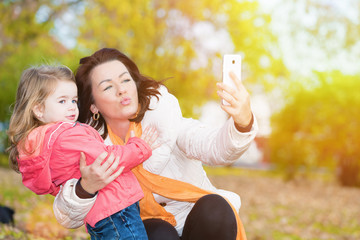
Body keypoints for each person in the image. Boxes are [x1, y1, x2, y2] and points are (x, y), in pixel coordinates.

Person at [53, 48, 258, 240]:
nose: (121, 90)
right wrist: (86, 187)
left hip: (195, 222)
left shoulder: (165, 121)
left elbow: (215, 148)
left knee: (216, 208)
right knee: (160, 232)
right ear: (93, 105)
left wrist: (242, 122)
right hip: (138, 231)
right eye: (107, 86)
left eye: (125, 80)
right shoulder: (87, 147)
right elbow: (67, 216)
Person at [7, 65, 159, 240]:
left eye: (74, 100)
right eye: (62, 101)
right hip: (115, 210)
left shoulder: (48, 139)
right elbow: (107, 160)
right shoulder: (66, 137)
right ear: (39, 109)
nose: (72, 107)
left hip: (103, 213)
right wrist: (140, 147)